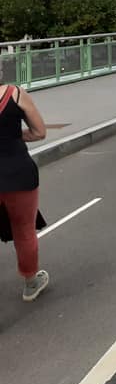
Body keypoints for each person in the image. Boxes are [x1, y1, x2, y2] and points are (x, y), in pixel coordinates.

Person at [0, 76, 50, 301]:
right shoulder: (15, 93)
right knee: (24, 230)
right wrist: (12, 135)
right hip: (19, 174)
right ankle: (31, 282)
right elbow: (39, 132)